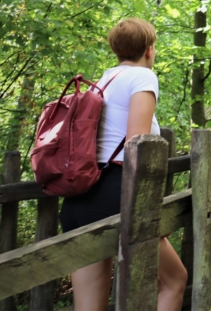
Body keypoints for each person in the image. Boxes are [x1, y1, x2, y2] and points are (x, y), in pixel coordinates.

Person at [59, 18, 187, 311]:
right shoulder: (142, 77)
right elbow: (137, 145)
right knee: (174, 282)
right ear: (149, 49)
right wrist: (150, 210)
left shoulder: (103, 80)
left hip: (81, 198)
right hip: (116, 195)